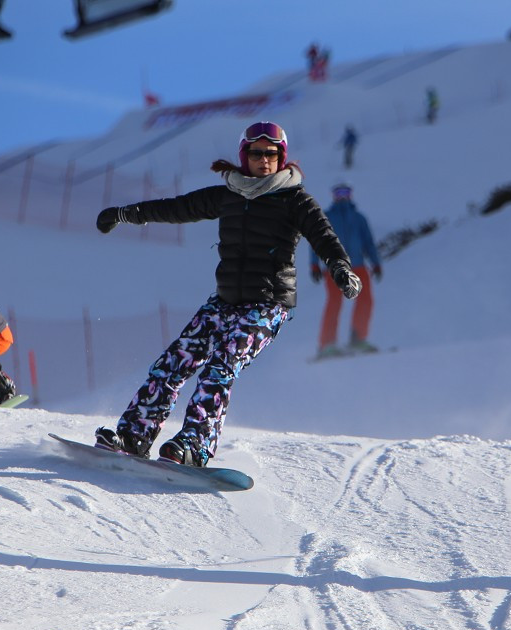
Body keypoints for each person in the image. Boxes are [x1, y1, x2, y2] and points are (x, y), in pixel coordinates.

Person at [92, 122, 360, 467]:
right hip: (224, 302)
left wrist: (340, 268)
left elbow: (324, 236)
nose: (264, 160)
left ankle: (194, 445)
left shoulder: (295, 199)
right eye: (256, 153)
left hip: (267, 305)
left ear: (282, 157)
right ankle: (134, 434)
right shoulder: (229, 194)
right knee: (171, 364)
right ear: (243, 156)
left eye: (272, 154)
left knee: (221, 367)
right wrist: (124, 214)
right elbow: (178, 208)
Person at [310, 182, 382, 357]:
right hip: (335, 267)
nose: (342, 196)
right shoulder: (326, 217)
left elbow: (369, 243)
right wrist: (314, 264)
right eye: (338, 193)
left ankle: (358, 338)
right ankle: (327, 344)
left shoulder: (359, 218)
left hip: (358, 266)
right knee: (335, 302)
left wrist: (376, 263)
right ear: (333, 196)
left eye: (346, 192)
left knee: (366, 300)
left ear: (351, 195)